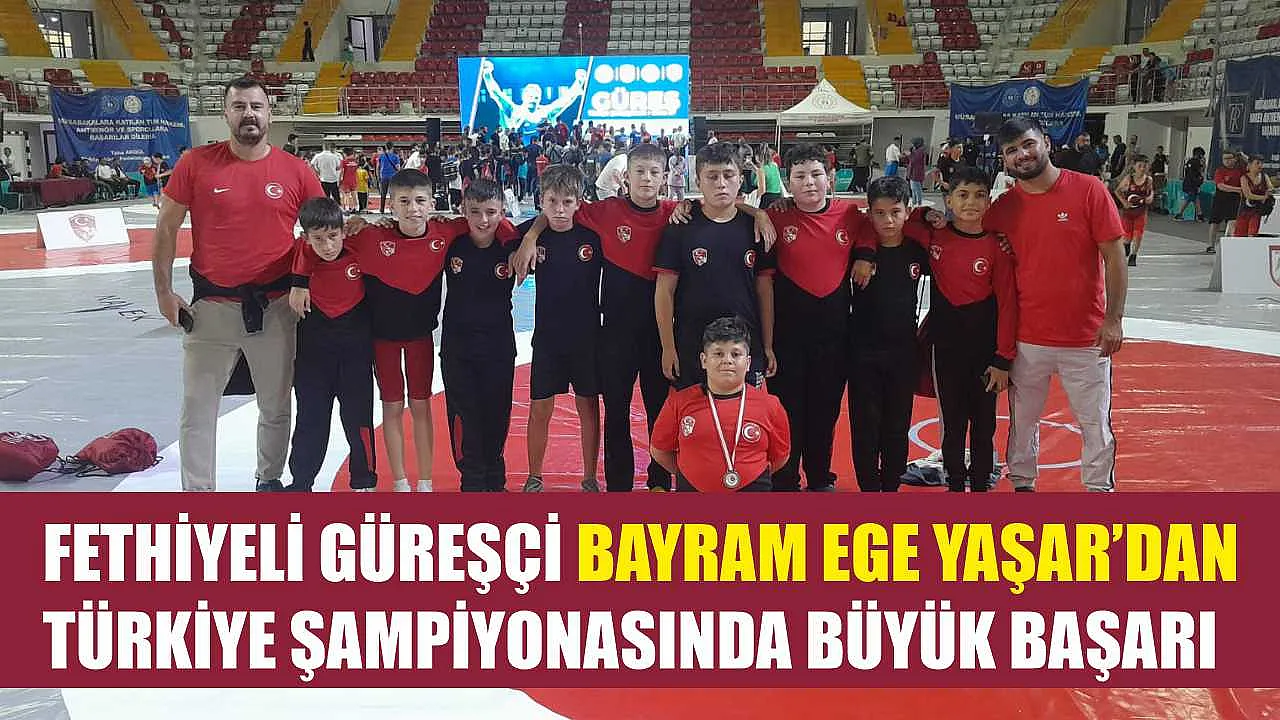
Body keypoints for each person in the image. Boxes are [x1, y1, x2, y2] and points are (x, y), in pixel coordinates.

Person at [153, 76, 324, 491]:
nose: (249, 114)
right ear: (225, 113)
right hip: (210, 308)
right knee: (197, 408)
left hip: (276, 307)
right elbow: (166, 227)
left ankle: (269, 479)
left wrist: (308, 283)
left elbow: (323, 232)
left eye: (256, 106)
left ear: (270, 114)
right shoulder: (195, 163)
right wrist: (163, 292)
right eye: (239, 106)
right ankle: (199, 495)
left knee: (276, 405)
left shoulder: (296, 171)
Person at [294, 170, 514, 492]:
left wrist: (521, 241)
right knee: (393, 408)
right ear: (391, 205)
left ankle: (425, 482)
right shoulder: (369, 236)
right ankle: (399, 481)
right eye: (404, 201)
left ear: (432, 204)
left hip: (420, 338)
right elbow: (315, 241)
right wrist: (300, 281)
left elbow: (496, 224)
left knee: (421, 406)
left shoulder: (445, 231)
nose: (413, 208)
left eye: (420, 201)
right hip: (382, 340)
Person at [981, 117, 1127, 493]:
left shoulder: (1089, 190)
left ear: (1046, 142)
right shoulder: (1003, 209)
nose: (1022, 154)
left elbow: (1115, 257)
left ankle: (1098, 490)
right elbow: (971, 238)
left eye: (1027, 144)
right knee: (1023, 422)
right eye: (1011, 151)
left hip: (1087, 338)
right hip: (1028, 338)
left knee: (1094, 423)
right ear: (1004, 160)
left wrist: (1113, 319)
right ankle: (1023, 485)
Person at [898, 166, 1019, 492]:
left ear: (989, 201)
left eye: (979, 196)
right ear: (948, 199)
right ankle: (954, 484)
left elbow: (1008, 304)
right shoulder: (936, 237)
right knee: (952, 424)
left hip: (986, 352)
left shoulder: (997, 246)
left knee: (983, 424)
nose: (971, 203)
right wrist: (927, 214)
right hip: (945, 349)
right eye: (962, 195)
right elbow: (906, 223)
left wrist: (1003, 358)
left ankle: (979, 485)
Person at [763, 144, 867, 492]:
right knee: (787, 412)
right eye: (800, 176)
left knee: (825, 411)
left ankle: (820, 476)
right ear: (788, 181)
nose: (809, 182)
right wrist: (757, 212)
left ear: (830, 177)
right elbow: (738, 212)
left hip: (834, 338)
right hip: (787, 339)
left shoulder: (850, 215)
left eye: (816, 174)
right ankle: (785, 478)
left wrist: (866, 255)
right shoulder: (775, 216)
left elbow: (877, 228)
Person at [655, 142, 775, 393]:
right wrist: (668, 347)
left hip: (743, 345)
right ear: (698, 182)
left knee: (741, 414)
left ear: (740, 179)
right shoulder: (680, 227)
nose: (721, 183)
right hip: (691, 345)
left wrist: (767, 345)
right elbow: (665, 291)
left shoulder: (756, 228)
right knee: (693, 414)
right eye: (712, 176)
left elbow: (764, 291)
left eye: (728, 175)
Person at [519, 166, 602, 493]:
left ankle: (590, 477)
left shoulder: (593, 236)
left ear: (579, 203)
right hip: (547, 340)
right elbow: (490, 230)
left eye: (567, 202)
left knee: (588, 407)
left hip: (587, 338)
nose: (559, 209)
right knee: (540, 408)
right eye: (552, 201)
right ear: (541, 200)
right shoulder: (531, 234)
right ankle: (534, 476)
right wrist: (529, 237)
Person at [285, 197, 376, 492]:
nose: (327, 246)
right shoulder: (299, 256)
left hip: (355, 357)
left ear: (343, 230)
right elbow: (300, 250)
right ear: (306, 237)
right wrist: (299, 281)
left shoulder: (359, 248)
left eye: (333, 236)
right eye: (318, 239)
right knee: (310, 421)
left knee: (359, 420)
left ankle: (364, 481)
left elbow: (386, 237)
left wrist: (369, 223)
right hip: (313, 361)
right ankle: (301, 483)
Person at [846, 176, 930, 492]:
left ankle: (891, 486)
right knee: (865, 426)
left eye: (896, 212)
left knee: (897, 424)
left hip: (903, 353)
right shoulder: (858, 251)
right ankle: (869, 489)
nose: (888, 221)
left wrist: (928, 215)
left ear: (908, 210)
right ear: (869, 213)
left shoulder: (916, 250)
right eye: (879, 213)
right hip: (862, 352)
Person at [649, 317, 790, 493]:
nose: (727, 360)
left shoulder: (770, 405)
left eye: (736, 354)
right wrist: (690, 473)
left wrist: (753, 473)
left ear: (748, 363)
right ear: (704, 360)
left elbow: (780, 457)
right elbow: (659, 450)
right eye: (718, 354)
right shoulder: (679, 402)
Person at [440, 179, 518, 492]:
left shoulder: (513, 243)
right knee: (463, 415)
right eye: (475, 212)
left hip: (499, 346)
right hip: (458, 348)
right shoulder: (451, 241)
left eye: (491, 212)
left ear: (502, 211)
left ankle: (495, 481)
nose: (483, 220)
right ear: (463, 210)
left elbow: (546, 223)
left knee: (497, 414)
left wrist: (522, 238)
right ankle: (471, 482)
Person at [1114, 154, 1154, 266]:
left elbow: (1151, 191)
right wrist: (1124, 202)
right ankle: (1127, 245)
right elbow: (1117, 191)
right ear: (1134, 166)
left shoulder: (1149, 180)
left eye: (1144, 166)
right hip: (1128, 212)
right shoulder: (1128, 179)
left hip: (1141, 212)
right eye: (1140, 166)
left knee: (1138, 234)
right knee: (1127, 237)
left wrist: (1150, 197)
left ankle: (1133, 255)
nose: (1142, 169)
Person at [1207, 150, 1243, 253]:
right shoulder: (1220, 171)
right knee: (1215, 223)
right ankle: (1211, 245)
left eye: (1229, 158)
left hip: (1234, 200)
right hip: (1220, 198)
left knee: (1232, 222)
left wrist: (1242, 156)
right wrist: (1239, 189)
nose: (1227, 161)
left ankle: (1229, 245)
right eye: (1225, 159)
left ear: (1235, 159)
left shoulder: (1240, 170)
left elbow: (1250, 163)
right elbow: (1221, 186)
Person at [1236, 155, 1275, 237]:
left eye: (1261, 163)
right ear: (1249, 165)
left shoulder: (1265, 176)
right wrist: (1263, 197)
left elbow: (1270, 188)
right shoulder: (1244, 178)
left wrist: (1270, 191)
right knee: (1240, 235)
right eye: (1257, 163)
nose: (1260, 165)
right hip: (1244, 211)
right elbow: (1248, 195)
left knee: (1252, 234)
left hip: (1257, 211)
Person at [1172, 147, 1206, 222]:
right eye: (1202, 155)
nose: (1202, 157)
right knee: (1188, 199)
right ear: (1199, 154)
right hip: (1192, 184)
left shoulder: (1189, 161)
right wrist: (1198, 182)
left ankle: (1199, 215)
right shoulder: (1197, 162)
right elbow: (1200, 172)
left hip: (1188, 183)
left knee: (1195, 199)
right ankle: (1179, 214)